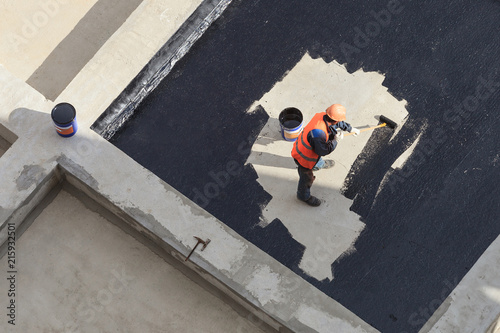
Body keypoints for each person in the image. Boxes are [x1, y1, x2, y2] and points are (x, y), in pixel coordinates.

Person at [291, 104, 360, 207]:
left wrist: (350, 128)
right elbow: (323, 151)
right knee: (307, 178)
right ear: (334, 120)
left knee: (316, 158)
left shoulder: (323, 115)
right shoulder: (318, 134)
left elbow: (337, 123)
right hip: (304, 157)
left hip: (310, 149)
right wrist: (335, 141)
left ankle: (318, 164)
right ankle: (303, 196)